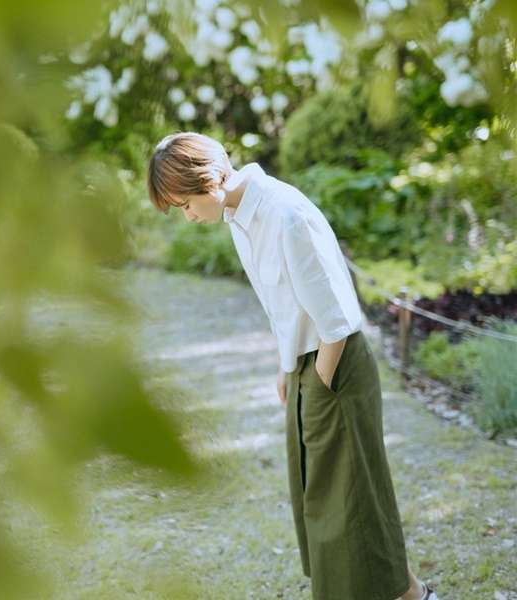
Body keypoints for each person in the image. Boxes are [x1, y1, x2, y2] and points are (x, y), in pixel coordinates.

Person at [146, 131, 439, 600]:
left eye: (184, 204)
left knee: (348, 503)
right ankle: (414, 596)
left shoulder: (285, 214)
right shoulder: (240, 217)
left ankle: (411, 596)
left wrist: (320, 380)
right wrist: (288, 370)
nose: (187, 216)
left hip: (335, 365)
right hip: (308, 366)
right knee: (327, 502)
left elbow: (336, 320)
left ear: (209, 178)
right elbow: (285, 304)